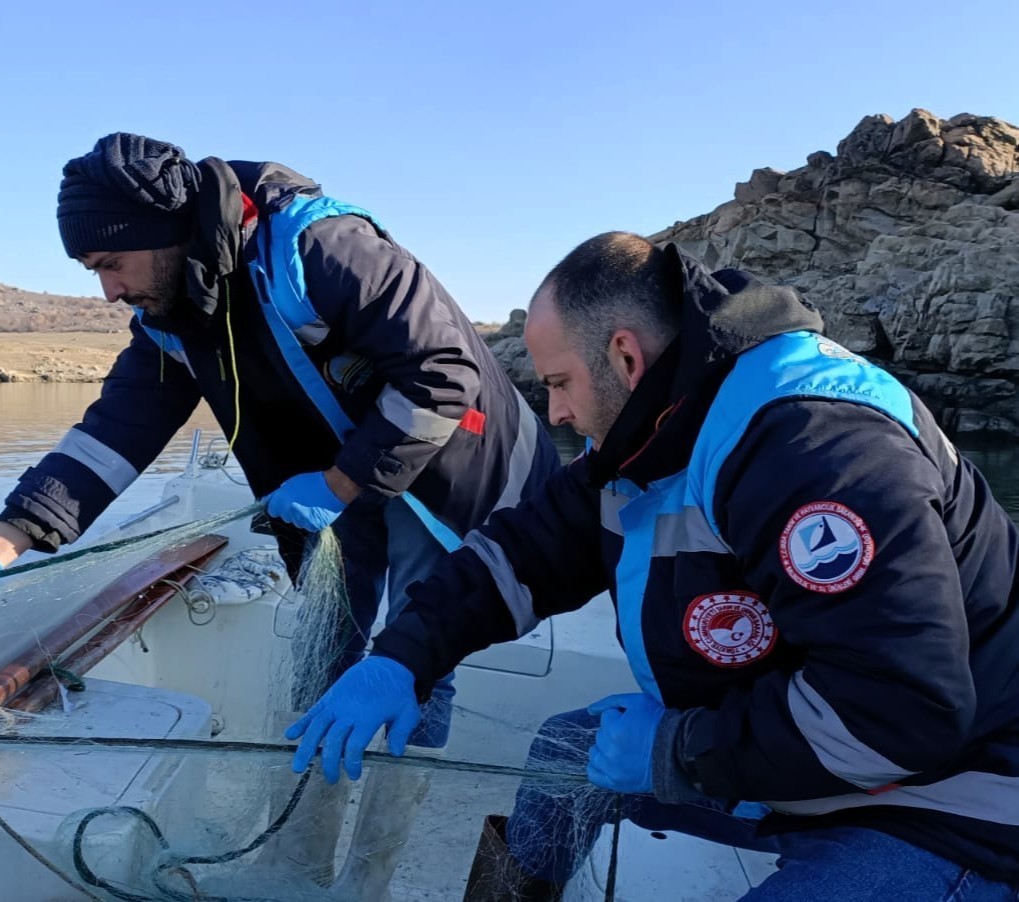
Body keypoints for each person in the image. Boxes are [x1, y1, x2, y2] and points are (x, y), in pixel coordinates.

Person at [0, 133, 560, 894]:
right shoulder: (172, 312)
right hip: (336, 479)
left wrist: (339, 484)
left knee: (413, 657)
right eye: (92, 272)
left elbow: (441, 376)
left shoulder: (320, 247)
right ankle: (300, 858)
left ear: (164, 233)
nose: (107, 291)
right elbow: (114, 434)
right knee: (324, 651)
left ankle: (365, 881)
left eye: (111, 263)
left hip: (450, 467)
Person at [287, 232, 1019, 899]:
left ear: (624, 357)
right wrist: (402, 657)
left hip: (953, 798)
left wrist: (676, 750)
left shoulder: (815, 449)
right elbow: (522, 553)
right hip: (791, 762)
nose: (554, 413)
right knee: (566, 753)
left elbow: (902, 710)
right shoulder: (648, 436)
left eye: (559, 383)